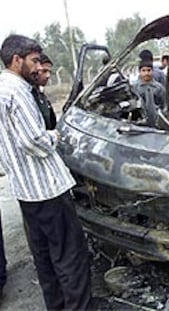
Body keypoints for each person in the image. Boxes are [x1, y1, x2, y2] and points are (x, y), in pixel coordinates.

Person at [0, 34, 91, 310]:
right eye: (34, 60)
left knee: (45, 259)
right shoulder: (18, 91)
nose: (38, 66)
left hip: (26, 192)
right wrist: (55, 136)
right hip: (48, 189)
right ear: (17, 60)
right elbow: (34, 141)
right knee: (70, 258)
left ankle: (57, 306)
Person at [132, 60, 166, 127]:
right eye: (143, 70)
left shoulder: (159, 88)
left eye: (149, 70)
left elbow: (164, 105)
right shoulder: (134, 87)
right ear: (140, 72)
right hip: (140, 124)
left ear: (152, 71)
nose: (146, 73)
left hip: (156, 123)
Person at [31, 53, 56, 130]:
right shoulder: (29, 96)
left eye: (50, 72)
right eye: (44, 71)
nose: (48, 75)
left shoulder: (41, 95)